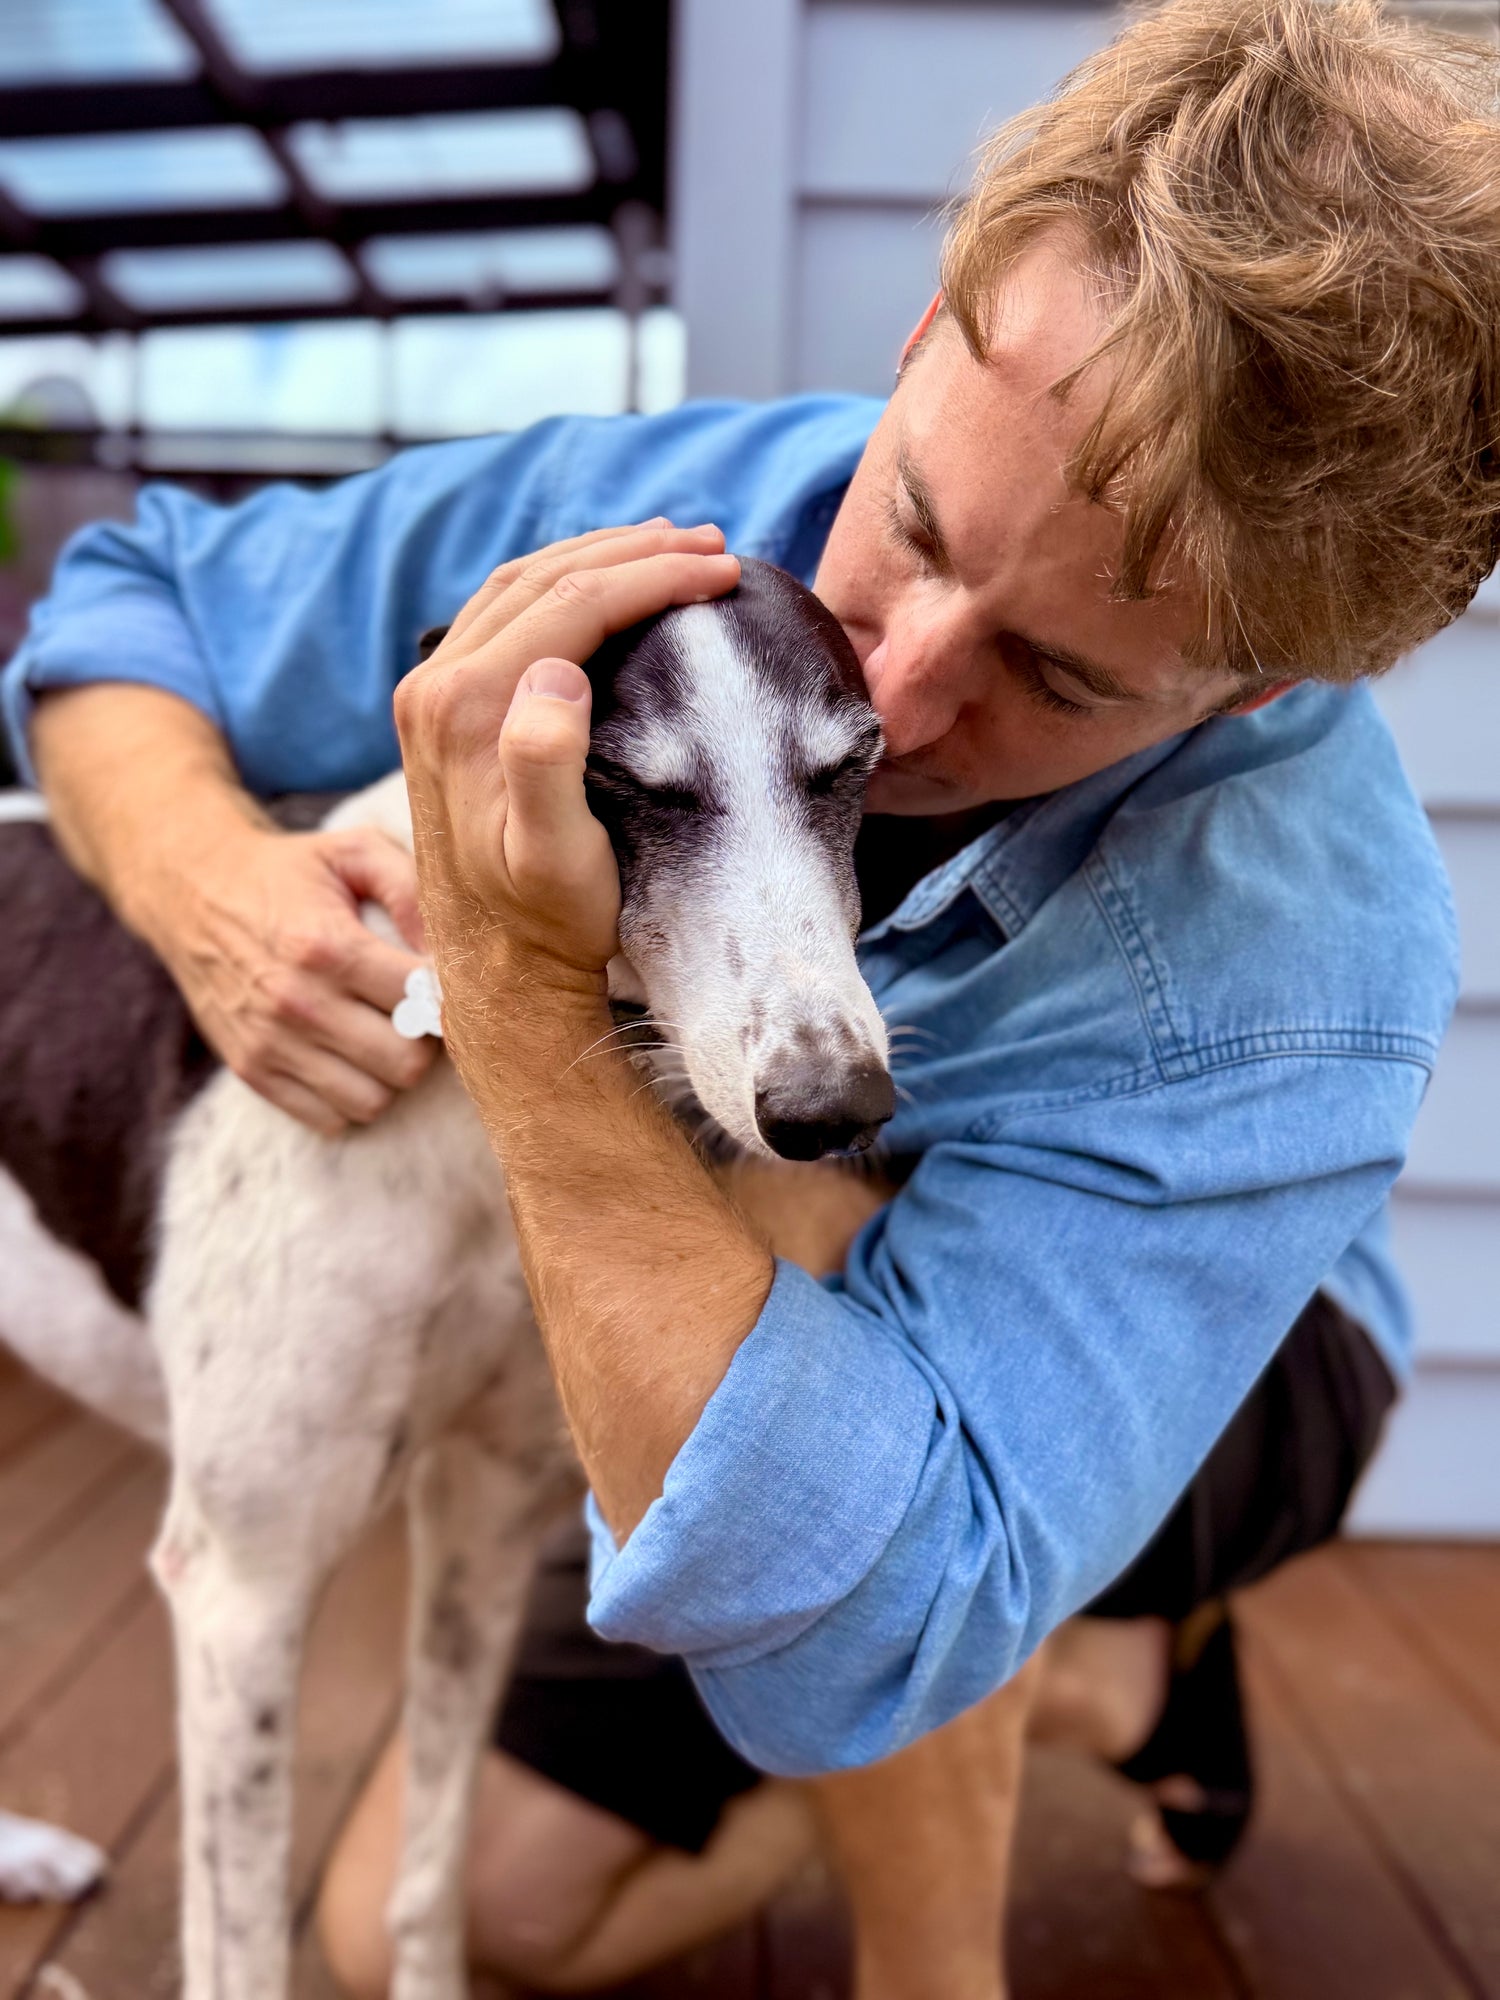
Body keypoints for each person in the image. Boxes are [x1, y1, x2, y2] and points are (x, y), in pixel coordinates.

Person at [6, 2, 1496, 1993]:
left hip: (1213, 1348)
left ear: (1267, 689)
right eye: (916, 524)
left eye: (1057, 675)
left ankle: (946, 1920)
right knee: (435, 1928)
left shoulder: (1292, 977)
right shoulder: (688, 511)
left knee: (828, 1227)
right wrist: (217, 895)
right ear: (917, 352)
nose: (893, 684)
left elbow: (854, 1626)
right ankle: (1121, 1689)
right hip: (754, 1325)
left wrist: (520, 979)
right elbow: (132, 608)